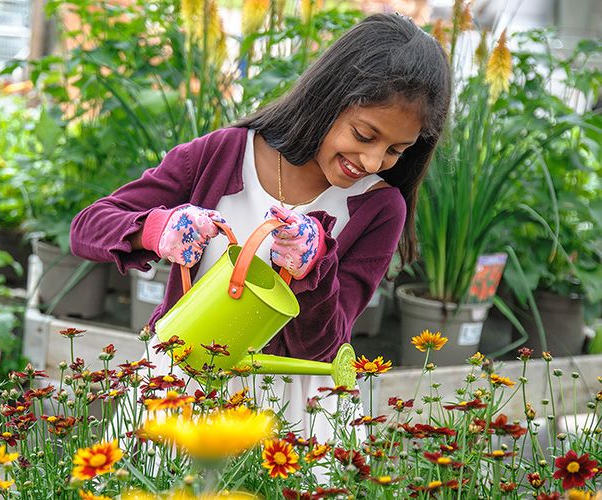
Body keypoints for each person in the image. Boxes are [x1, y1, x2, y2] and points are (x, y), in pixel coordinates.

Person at [70, 13, 451, 441]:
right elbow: (88, 226)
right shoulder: (222, 154)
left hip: (297, 414)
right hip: (182, 386)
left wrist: (316, 269)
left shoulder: (379, 207)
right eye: (364, 135)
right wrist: (159, 229)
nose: (373, 162)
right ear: (329, 99)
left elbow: (323, 347)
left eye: (396, 150)